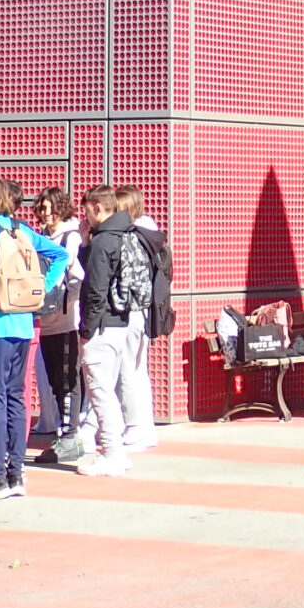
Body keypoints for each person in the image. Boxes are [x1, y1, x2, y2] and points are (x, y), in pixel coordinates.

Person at [0, 175, 69, 499]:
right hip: (23, 325)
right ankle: (16, 473)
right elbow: (60, 255)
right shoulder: (22, 230)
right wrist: (42, 288)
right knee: (17, 398)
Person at [76, 186, 139, 475]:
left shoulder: (104, 241)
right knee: (108, 389)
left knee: (100, 391)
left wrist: (86, 329)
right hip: (121, 320)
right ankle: (116, 452)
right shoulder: (127, 234)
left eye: (86, 210)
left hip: (101, 326)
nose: (85, 216)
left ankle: (111, 453)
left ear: (97, 209)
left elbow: (96, 289)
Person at [113, 185, 173, 454]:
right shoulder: (152, 236)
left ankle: (135, 428)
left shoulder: (131, 237)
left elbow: (126, 279)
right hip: (146, 310)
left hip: (129, 309)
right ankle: (145, 428)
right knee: (139, 371)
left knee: (127, 371)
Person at [32, 188, 85, 463]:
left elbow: (78, 278)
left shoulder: (70, 237)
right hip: (46, 322)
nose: (44, 214)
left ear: (61, 208)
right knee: (54, 381)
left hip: (66, 321)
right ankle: (65, 434)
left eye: (48, 208)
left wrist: (64, 302)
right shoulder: (42, 238)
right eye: (40, 208)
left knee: (67, 380)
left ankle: (70, 436)